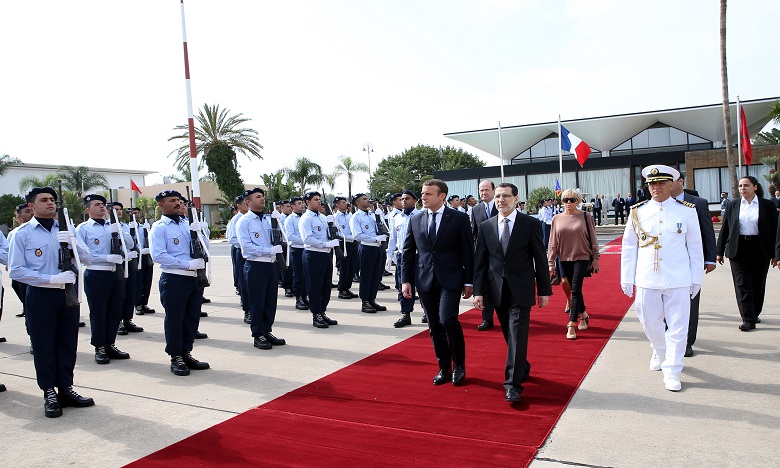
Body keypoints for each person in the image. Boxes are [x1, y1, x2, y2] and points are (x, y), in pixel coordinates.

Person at [9, 186, 95, 417]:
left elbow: (88, 258)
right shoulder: (22, 233)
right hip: (40, 295)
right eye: (44, 200)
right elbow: (16, 271)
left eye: (52, 200)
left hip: (68, 294)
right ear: (31, 206)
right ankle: (49, 391)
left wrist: (73, 242)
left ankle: (66, 388)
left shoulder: (67, 230)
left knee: (68, 342)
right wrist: (50, 279)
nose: (50, 203)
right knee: (44, 344)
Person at [621, 165, 703, 392]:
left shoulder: (686, 211)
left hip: (679, 277)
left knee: (678, 326)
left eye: (661, 183)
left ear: (671, 185)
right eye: (651, 184)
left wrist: (697, 278)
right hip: (648, 276)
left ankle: (673, 369)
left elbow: (695, 247)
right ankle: (659, 349)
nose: (656, 187)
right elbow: (629, 247)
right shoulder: (638, 211)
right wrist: (627, 277)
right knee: (648, 320)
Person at [473, 182, 552, 403]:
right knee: (509, 335)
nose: (501, 200)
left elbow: (540, 258)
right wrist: (478, 291)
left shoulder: (530, 224)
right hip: (496, 290)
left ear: (516, 199)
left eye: (506, 196)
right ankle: (522, 365)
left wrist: (544, 289)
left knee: (517, 333)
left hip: (522, 288)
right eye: (498, 196)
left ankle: (512, 385)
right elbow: (480, 262)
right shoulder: (486, 226)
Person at [401, 179, 473, 386]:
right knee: (434, 325)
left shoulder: (459, 218)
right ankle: (444, 367)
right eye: (422, 194)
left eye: (428, 194)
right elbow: (407, 252)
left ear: (442, 196)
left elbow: (468, 251)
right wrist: (405, 279)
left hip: (451, 279)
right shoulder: (415, 220)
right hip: (424, 279)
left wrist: (469, 281)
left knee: (448, 320)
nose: (423, 197)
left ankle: (459, 366)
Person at [149, 190, 210, 376]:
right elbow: (158, 255)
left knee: (192, 317)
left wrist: (202, 231)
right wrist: (187, 264)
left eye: (178, 200)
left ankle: (186, 351)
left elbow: (204, 246)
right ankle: (175, 356)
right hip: (175, 278)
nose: (178, 203)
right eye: (172, 201)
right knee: (175, 319)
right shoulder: (159, 228)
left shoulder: (188, 224)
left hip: (194, 277)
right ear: (161, 205)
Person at [75, 195, 135, 364]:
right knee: (99, 312)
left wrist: (119, 229)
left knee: (115, 311)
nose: (102, 207)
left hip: (116, 273)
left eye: (103, 204)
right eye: (97, 204)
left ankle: (110, 343)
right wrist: (107, 258)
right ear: (88, 209)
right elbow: (83, 255)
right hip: (97, 273)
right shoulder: (83, 229)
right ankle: (99, 346)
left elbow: (129, 244)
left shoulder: (113, 226)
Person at [716, 176, 778, 331]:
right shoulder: (733, 205)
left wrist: (777, 254)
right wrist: (719, 251)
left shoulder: (767, 206)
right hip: (738, 248)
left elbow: (776, 231)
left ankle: (754, 312)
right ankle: (747, 318)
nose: (742, 188)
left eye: (746, 185)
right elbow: (726, 229)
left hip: (760, 248)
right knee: (742, 283)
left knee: (758, 284)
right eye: (740, 186)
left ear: (755, 187)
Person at [672, 174, 717, 357]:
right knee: (668, 302)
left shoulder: (698, 203)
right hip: (668, 261)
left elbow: (707, 230)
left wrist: (710, 258)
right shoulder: (659, 204)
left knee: (690, 301)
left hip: (691, 261)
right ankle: (671, 336)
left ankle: (687, 341)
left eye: (670, 181)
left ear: (681, 181)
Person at [236, 187, 286, 350]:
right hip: (256, 265)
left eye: (263, 196)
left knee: (270, 301)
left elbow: (281, 238)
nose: (262, 199)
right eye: (258, 197)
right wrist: (268, 251)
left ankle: (267, 330)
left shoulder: (268, 219)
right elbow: (247, 248)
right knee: (257, 301)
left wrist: (279, 222)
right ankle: (258, 334)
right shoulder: (244, 221)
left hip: (270, 264)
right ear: (248, 202)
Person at [547, 189, 600, 340]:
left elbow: (593, 238)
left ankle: (571, 323)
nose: (568, 203)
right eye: (565, 200)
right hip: (563, 258)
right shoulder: (556, 218)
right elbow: (552, 242)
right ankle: (583, 314)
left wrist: (596, 257)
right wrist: (551, 263)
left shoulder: (585, 216)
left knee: (576, 288)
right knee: (572, 287)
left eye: (572, 199)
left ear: (578, 200)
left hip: (582, 257)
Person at [299, 191, 340, 328]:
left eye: (319, 199)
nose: (319, 202)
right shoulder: (306, 218)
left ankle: (322, 311)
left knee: (326, 285)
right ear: (308, 202)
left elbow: (330, 233)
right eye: (315, 199)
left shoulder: (323, 217)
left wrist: (333, 227)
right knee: (315, 286)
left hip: (326, 254)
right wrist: (326, 244)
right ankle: (316, 314)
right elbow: (308, 239)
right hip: (313, 254)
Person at [386, 189, 421, 328]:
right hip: (402, 256)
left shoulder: (421, 215)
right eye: (402, 199)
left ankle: (427, 312)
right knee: (404, 285)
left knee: (423, 285)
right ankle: (406, 314)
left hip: (419, 255)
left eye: (407, 198)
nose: (404, 201)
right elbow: (393, 238)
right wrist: (389, 254)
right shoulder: (396, 218)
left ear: (415, 200)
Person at [350, 193, 388, 313]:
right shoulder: (356, 217)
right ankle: (365, 302)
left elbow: (382, 228)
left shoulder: (373, 215)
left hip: (378, 248)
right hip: (367, 248)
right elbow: (357, 236)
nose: (368, 201)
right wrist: (375, 239)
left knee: (376, 276)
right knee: (366, 276)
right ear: (358, 203)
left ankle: (372, 299)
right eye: (364, 199)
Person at [112, 202, 145, 337]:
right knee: (118, 295)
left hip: (127, 262)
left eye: (120, 209)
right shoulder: (107, 227)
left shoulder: (125, 226)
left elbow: (131, 243)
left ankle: (127, 319)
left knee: (130, 292)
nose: (119, 212)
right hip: (114, 265)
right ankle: (118, 321)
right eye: (115, 210)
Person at [471, 180, 498, 331]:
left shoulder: (501, 206)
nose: (484, 193)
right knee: (485, 287)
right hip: (483, 255)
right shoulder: (476, 209)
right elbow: (474, 233)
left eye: (487, 190)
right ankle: (487, 319)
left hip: (501, 254)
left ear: (493, 190)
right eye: (481, 190)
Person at [285, 196, 310, 311]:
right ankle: (299, 298)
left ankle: (305, 296)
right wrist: (306, 240)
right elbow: (290, 236)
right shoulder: (290, 219)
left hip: (307, 249)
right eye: (299, 203)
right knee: (298, 275)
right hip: (297, 249)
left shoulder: (307, 217)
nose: (302, 205)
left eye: (302, 203)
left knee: (306, 275)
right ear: (293, 206)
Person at [226, 195, 248, 317]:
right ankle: (246, 304)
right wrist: (248, 244)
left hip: (253, 254)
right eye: (245, 203)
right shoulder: (236, 220)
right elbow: (232, 238)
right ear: (239, 206)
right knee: (242, 279)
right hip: (241, 251)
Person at [133, 206, 156, 316]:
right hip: (136, 257)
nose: (137, 215)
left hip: (146, 256)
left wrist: (148, 230)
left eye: (138, 213)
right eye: (134, 213)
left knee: (147, 281)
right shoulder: (128, 228)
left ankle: (144, 303)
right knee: (138, 282)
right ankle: (137, 304)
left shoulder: (143, 227)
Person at [334, 196, 359, 300]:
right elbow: (337, 233)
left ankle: (347, 287)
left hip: (353, 243)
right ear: (337, 205)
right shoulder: (335, 217)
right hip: (344, 244)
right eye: (343, 202)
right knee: (344, 267)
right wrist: (348, 237)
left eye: (345, 202)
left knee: (352, 267)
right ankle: (342, 289)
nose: (345, 204)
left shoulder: (350, 216)